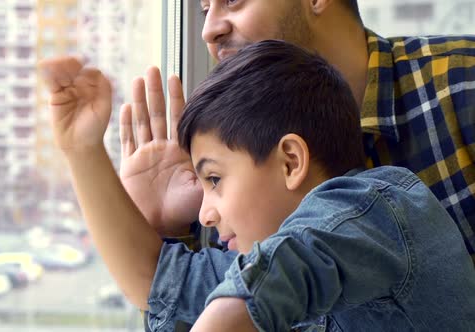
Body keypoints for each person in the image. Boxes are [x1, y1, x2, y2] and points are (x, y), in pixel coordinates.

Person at [38, 40, 475, 331]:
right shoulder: (260, 255)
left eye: (214, 179)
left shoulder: (382, 206)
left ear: (290, 161)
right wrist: (83, 151)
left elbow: (282, 270)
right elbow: (155, 284)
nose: (204, 213)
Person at [119, 0, 475, 260]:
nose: (209, 30)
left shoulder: (461, 86)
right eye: (204, 9)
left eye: (231, 1)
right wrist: (163, 228)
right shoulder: (236, 183)